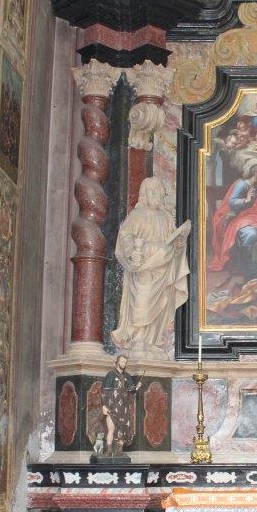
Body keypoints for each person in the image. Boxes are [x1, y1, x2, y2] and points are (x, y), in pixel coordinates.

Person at [111, 177, 190, 354]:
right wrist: (132, 250)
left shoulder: (167, 217)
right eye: (151, 191)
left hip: (163, 267)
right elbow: (125, 236)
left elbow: (173, 243)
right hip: (144, 266)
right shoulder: (136, 215)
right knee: (142, 301)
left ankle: (151, 339)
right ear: (144, 195)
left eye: (158, 191)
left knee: (161, 303)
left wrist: (180, 240)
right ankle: (138, 338)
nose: (155, 194)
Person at [210, 164, 257, 272]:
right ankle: (245, 265)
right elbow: (232, 203)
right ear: (254, 173)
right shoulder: (242, 184)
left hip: (251, 216)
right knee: (251, 234)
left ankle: (250, 264)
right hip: (235, 216)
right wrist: (246, 200)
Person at [101, 354, 142, 455]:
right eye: (123, 361)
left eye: (125, 362)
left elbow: (131, 390)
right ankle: (109, 450)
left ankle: (119, 451)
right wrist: (103, 406)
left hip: (123, 407)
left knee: (123, 428)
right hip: (111, 406)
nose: (124, 364)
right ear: (117, 362)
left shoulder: (127, 376)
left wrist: (136, 387)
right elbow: (104, 392)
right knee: (111, 428)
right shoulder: (110, 374)